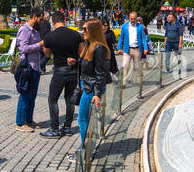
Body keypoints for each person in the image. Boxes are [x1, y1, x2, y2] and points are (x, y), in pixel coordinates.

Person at [40, 12, 83, 138]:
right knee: (70, 99)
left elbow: (47, 55)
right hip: (73, 69)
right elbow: (82, 52)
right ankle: (67, 127)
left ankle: (54, 128)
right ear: (64, 20)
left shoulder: (50, 36)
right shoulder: (76, 34)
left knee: (53, 99)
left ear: (53, 22)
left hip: (59, 70)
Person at [75, 19, 112, 147]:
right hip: (87, 86)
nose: (82, 31)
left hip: (92, 89)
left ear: (93, 31)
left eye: (85, 29)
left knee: (83, 120)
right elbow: (89, 66)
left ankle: (85, 149)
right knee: (84, 120)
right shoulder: (88, 45)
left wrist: (97, 94)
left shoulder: (99, 48)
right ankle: (85, 147)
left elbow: (101, 73)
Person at [14, 11, 46, 132]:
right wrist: (39, 44)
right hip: (27, 67)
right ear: (34, 17)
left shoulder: (35, 31)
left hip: (36, 67)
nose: (42, 22)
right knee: (25, 94)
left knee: (32, 96)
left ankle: (29, 120)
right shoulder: (24, 30)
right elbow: (23, 48)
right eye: (41, 19)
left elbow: (38, 47)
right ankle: (20, 122)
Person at [116, 11, 151, 84]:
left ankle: (138, 82)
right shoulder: (124, 26)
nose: (132, 20)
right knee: (125, 66)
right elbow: (121, 38)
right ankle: (123, 82)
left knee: (137, 66)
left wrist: (145, 48)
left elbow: (143, 38)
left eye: (134, 18)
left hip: (137, 49)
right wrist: (119, 47)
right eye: (131, 18)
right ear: (129, 18)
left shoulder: (140, 27)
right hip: (127, 49)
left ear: (136, 19)